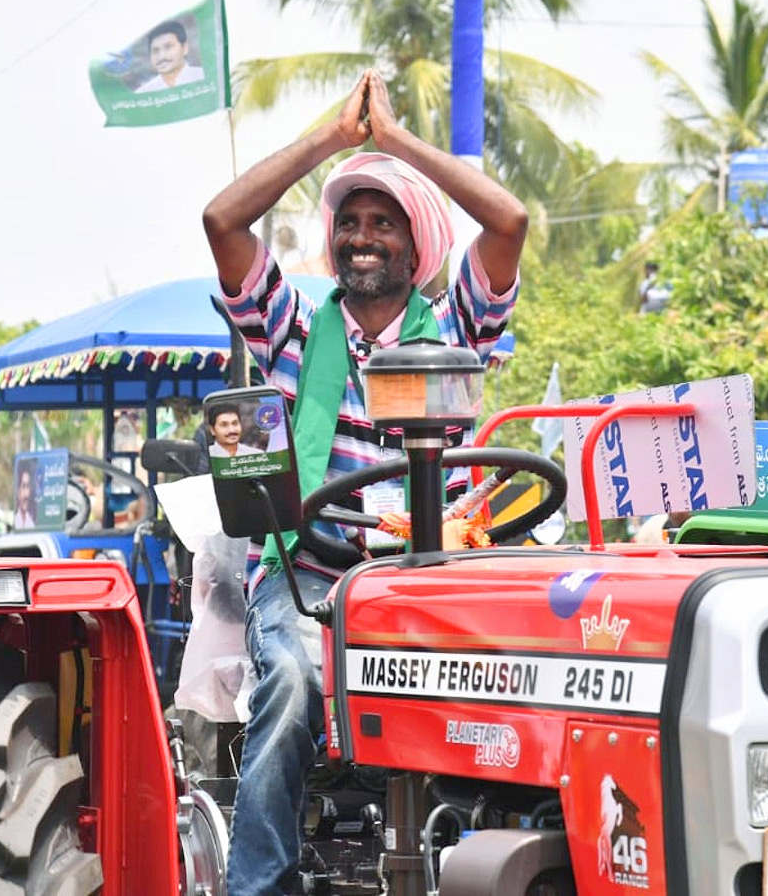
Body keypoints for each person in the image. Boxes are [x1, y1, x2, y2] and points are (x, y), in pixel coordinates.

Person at [201, 68, 527, 896]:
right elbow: (223, 220)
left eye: (384, 221)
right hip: (309, 574)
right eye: (349, 223)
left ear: (416, 247)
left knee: (520, 694)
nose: (364, 237)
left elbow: (510, 220)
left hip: (428, 578)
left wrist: (397, 144)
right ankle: (259, 885)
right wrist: (333, 142)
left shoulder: (455, 331)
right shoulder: (294, 331)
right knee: (294, 688)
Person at [134, 20, 204, 93]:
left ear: (184, 48)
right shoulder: (144, 92)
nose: (162, 56)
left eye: (168, 47)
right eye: (155, 51)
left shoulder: (202, 77)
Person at [13, 463, 37, 529]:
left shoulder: (31, 524)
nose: (26, 494)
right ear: (18, 490)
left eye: (28, 487)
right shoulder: (14, 521)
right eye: (23, 487)